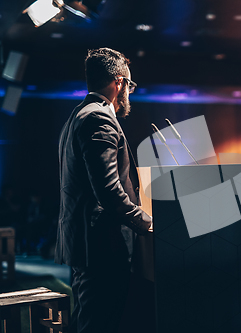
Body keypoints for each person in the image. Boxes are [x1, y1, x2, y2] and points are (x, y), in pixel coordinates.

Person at [56, 48, 152, 333]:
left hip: (87, 244)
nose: (129, 93)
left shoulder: (77, 115)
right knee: (98, 324)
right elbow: (109, 191)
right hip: (101, 247)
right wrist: (146, 222)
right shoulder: (99, 118)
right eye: (130, 86)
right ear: (119, 82)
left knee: (90, 320)